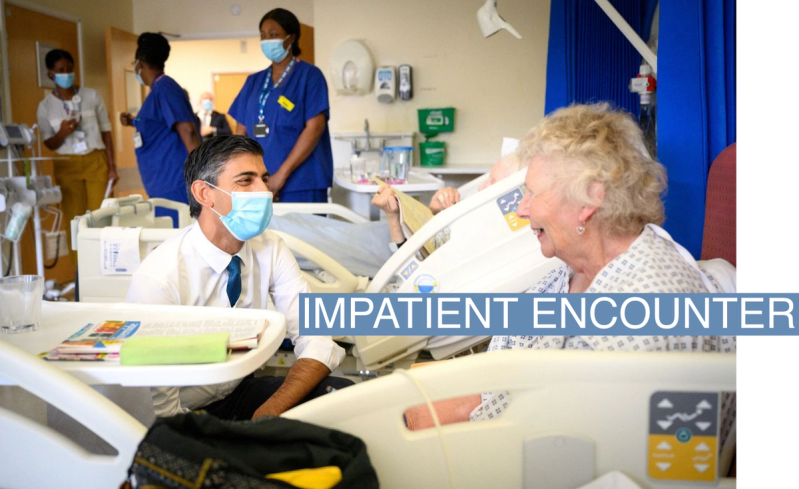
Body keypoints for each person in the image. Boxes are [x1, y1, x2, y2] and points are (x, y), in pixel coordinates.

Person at [404, 104, 739, 440]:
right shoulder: (573, 269)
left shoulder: (647, 317)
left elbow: (585, 450)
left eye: (533, 194)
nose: (521, 209)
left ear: (589, 201)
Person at [126, 135, 351, 420]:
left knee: (341, 396)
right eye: (246, 181)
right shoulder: (159, 279)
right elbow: (157, 405)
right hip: (183, 412)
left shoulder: (270, 248)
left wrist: (268, 413)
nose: (264, 191)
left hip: (237, 393)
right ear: (204, 194)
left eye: (264, 179)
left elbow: (316, 339)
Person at [229, 8, 333, 203]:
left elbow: (315, 127)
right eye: (263, 36)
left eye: (274, 35)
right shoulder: (253, 81)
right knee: (265, 234)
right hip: (258, 185)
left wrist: (280, 177)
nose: (267, 40)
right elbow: (240, 131)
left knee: (302, 234)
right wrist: (248, 178)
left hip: (301, 183)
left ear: (291, 37)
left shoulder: (310, 76)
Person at [37, 49, 118, 263]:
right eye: (61, 70)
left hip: (95, 160)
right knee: (75, 222)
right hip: (67, 164)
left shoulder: (91, 96)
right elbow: (49, 143)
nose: (66, 73)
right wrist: (63, 132)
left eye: (70, 69)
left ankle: (106, 268)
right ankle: (80, 274)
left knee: (101, 218)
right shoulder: (45, 107)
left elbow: (106, 131)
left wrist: (112, 166)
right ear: (50, 73)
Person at [120, 32, 201, 207]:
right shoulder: (158, 91)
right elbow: (158, 126)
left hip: (174, 185)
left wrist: (203, 174)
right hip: (162, 185)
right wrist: (133, 121)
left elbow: (188, 131)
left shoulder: (165, 88)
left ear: (139, 63)